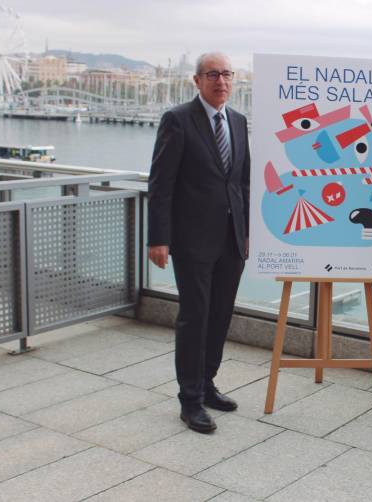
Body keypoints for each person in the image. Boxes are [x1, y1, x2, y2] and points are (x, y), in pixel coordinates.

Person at [147, 52, 250, 434]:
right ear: (197, 80)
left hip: (231, 240)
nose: (220, 81)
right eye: (212, 74)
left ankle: (207, 384)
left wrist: (247, 231)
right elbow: (161, 183)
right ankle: (189, 400)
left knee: (221, 315)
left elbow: (243, 183)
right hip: (191, 240)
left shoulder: (238, 121)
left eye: (226, 74)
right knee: (194, 317)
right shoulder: (177, 120)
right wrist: (158, 238)